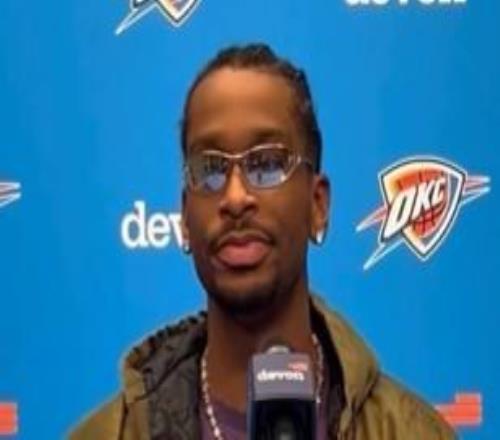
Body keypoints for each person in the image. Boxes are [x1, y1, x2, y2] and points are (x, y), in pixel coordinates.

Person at [70, 43, 456, 439]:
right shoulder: (106, 434)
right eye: (210, 169)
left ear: (317, 204)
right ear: (184, 217)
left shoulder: (412, 432)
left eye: (267, 164)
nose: (235, 197)